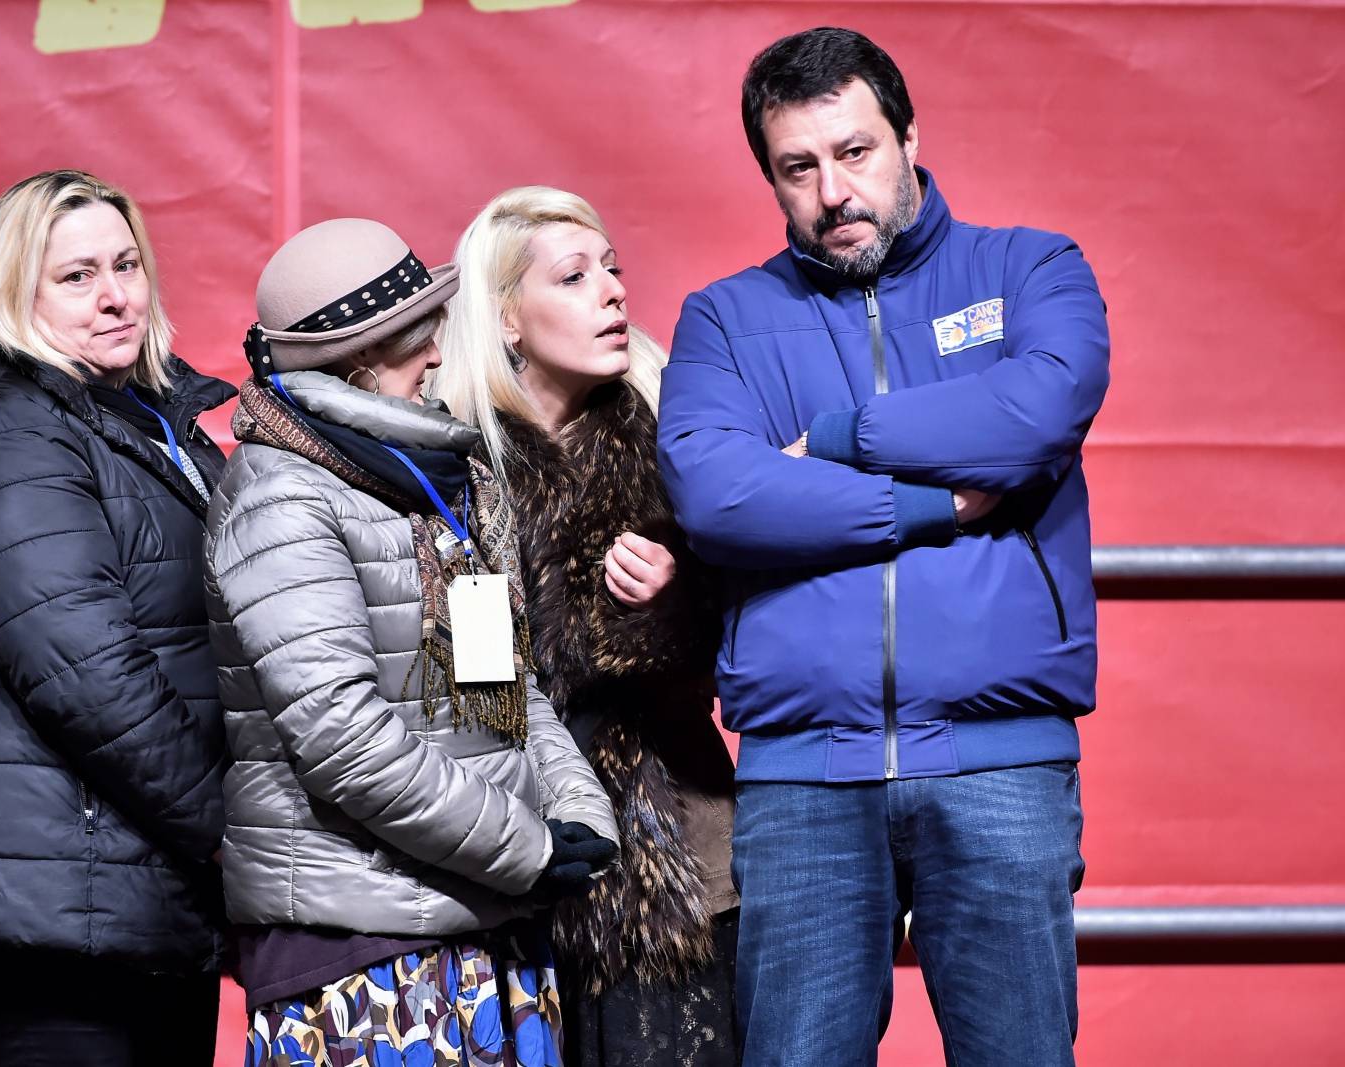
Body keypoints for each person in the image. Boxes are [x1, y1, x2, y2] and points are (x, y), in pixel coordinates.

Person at [656, 28, 1110, 1067]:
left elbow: (1038, 411)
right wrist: (933, 506)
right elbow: (719, 495)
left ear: (908, 137)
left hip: (1000, 761)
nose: (831, 190)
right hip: (802, 775)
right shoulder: (725, 319)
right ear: (770, 178)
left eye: (854, 151)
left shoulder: (1031, 265)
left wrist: (844, 435)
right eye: (797, 167)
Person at [206, 217, 618, 1066]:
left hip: (487, 917)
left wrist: (579, 813)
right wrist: (529, 848)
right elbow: (341, 735)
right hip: (366, 950)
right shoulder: (282, 495)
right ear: (357, 367)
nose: (437, 355)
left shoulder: (428, 482)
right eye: (415, 339)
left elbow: (508, 685)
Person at [0, 170, 235, 1066]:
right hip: (48, 904)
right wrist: (237, 836)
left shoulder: (153, 424)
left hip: (134, 885)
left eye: (127, 264)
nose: (115, 296)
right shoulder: (9, 433)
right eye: (75, 276)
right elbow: (91, 678)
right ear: (12, 294)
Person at [432, 186, 740, 1067]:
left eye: (612, 269)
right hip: (511, 865)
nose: (611, 291)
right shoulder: (451, 475)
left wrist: (687, 586)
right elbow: (470, 689)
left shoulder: (680, 442)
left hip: (686, 857)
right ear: (508, 319)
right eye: (574, 276)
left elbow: (763, 633)